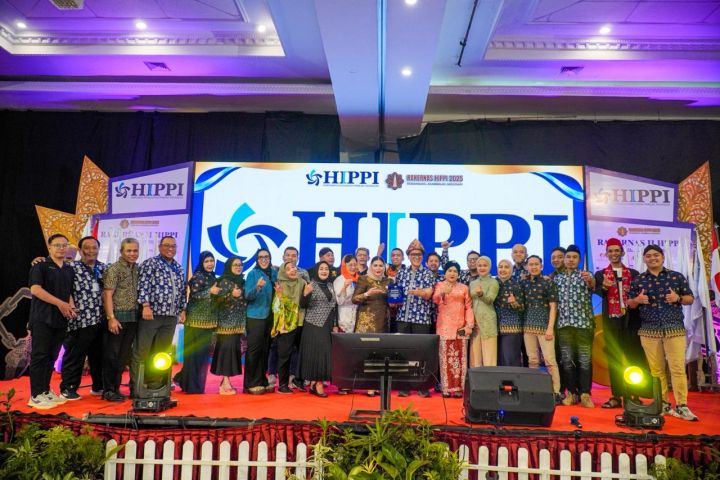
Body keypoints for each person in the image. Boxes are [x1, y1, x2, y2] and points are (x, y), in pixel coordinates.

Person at [628, 244, 697, 421]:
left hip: (674, 329)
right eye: (649, 256)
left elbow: (690, 299)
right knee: (656, 371)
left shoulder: (676, 276)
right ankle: (663, 404)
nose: (652, 258)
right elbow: (630, 303)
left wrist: (677, 298)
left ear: (663, 257)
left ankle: (682, 406)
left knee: (677, 368)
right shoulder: (638, 280)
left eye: (656, 255)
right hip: (649, 331)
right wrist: (637, 299)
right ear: (644, 259)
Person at [133, 235, 186, 396]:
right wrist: (145, 305)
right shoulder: (150, 263)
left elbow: (182, 290)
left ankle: (155, 383)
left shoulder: (178, 268)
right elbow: (143, 286)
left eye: (173, 246)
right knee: (142, 350)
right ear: (160, 247)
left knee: (161, 352)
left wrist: (182, 309)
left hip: (170, 316)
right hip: (152, 314)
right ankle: (136, 386)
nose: (170, 248)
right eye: (167, 245)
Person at [27, 233, 74, 409]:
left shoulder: (68, 269)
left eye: (64, 245)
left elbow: (68, 292)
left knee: (52, 356)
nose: (61, 248)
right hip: (42, 318)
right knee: (40, 356)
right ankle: (35, 395)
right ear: (49, 247)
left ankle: (45, 390)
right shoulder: (40, 266)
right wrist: (60, 303)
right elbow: (35, 290)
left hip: (60, 320)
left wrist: (70, 307)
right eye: (57, 245)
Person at [594, 238, 640, 409]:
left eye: (616, 250)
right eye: (610, 251)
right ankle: (616, 395)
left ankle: (634, 394)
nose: (613, 254)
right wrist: (605, 287)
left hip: (631, 322)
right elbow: (599, 293)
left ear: (622, 252)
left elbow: (637, 295)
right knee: (614, 359)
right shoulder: (600, 274)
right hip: (611, 322)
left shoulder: (634, 273)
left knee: (632, 358)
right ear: (606, 254)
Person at [59, 236, 107, 401]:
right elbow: (63, 288)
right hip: (79, 319)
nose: (91, 251)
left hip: (100, 319)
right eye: (87, 248)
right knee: (75, 355)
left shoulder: (104, 268)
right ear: (80, 250)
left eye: (94, 248)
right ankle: (68, 388)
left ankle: (98, 386)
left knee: (99, 354)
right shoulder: (70, 267)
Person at [554, 245, 596, 408]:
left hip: (583, 325)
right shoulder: (557, 279)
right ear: (564, 260)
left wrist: (590, 280)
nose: (571, 260)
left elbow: (592, 285)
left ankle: (585, 394)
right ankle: (572, 393)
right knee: (566, 361)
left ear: (579, 260)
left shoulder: (586, 276)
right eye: (568, 257)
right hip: (564, 325)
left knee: (584, 360)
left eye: (574, 257)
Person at [394, 239, 435, 397]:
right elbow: (395, 293)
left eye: (419, 255)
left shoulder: (427, 273)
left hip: (421, 318)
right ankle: (405, 385)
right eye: (413, 254)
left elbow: (429, 294)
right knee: (403, 352)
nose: (416, 257)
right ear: (408, 256)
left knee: (421, 352)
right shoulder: (401, 272)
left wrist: (421, 293)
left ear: (422, 256)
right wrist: (392, 301)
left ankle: (422, 385)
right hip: (403, 317)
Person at [174, 251, 218, 394]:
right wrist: (209, 291)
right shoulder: (197, 277)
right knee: (194, 356)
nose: (210, 264)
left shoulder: (212, 277)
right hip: (195, 322)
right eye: (207, 261)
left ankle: (187, 382)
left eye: (211, 261)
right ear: (201, 263)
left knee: (201, 356)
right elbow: (195, 295)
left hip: (208, 322)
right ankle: (191, 386)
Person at [102, 237, 140, 402]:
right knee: (113, 354)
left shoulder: (136, 268)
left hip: (133, 318)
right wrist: (111, 318)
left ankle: (116, 388)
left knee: (123, 355)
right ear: (121, 251)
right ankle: (109, 390)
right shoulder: (114, 269)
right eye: (129, 250)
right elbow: (107, 294)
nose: (132, 254)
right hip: (117, 318)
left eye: (135, 251)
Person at [521, 255, 562, 403]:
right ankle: (535, 390)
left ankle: (556, 392)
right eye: (531, 264)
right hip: (528, 327)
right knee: (532, 361)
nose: (533, 267)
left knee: (550, 361)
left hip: (545, 327)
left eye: (536, 264)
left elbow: (553, 307)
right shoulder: (523, 283)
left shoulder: (548, 283)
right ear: (527, 267)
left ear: (541, 266)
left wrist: (550, 328)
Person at [433, 261, 474, 398]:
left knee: (460, 359)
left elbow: (469, 307)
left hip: (460, 327)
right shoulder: (440, 285)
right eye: (449, 271)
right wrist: (442, 293)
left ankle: (459, 388)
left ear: (458, 274)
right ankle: (445, 388)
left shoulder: (464, 288)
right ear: (445, 273)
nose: (452, 273)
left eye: (455, 271)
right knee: (445, 358)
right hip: (444, 327)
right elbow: (435, 300)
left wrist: (469, 325)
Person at [299, 261, 338, 397]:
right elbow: (302, 305)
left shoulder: (330, 285)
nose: (324, 271)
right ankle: (318, 384)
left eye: (326, 269)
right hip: (314, 325)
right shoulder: (311, 285)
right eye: (321, 269)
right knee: (318, 354)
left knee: (324, 354)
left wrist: (335, 324)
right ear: (316, 271)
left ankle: (314, 383)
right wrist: (305, 294)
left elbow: (334, 306)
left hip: (327, 325)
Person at [211, 256, 246, 395]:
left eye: (240, 264)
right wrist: (231, 295)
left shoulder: (242, 281)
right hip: (226, 324)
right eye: (235, 265)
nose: (238, 267)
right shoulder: (223, 281)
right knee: (226, 352)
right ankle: (225, 383)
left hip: (238, 324)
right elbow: (216, 300)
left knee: (232, 352)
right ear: (229, 266)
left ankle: (225, 382)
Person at [244, 248, 277, 395]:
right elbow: (247, 296)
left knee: (265, 350)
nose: (264, 259)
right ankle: (250, 383)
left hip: (270, 317)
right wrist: (257, 287)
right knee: (254, 350)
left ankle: (262, 380)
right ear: (257, 260)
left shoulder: (274, 273)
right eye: (261, 257)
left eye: (266, 257)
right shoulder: (253, 273)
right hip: (255, 316)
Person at [272, 261, 308, 394]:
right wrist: (280, 296)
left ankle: (298, 380)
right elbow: (276, 307)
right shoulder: (280, 285)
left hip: (301, 322)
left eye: (293, 267)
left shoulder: (302, 282)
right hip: (286, 325)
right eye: (288, 269)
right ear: (283, 273)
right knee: (284, 355)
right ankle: (282, 384)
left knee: (302, 353)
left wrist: (306, 294)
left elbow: (305, 302)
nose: (292, 270)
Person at [468, 256, 499, 367]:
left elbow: (490, 300)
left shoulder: (493, 282)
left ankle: (489, 379)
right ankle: (475, 379)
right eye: (479, 265)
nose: (482, 268)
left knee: (489, 358)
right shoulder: (473, 283)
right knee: (475, 359)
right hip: (475, 323)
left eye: (485, 265)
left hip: (488, 322)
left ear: (489, 267)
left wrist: (481, 294)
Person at [495, 259, 525, 367]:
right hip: (494, 328)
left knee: (510, 359)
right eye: (500, 267)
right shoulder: (493, 284)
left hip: (511, 328)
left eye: (506, 267)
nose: (503, 269)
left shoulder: (516, 285)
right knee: (498, 360)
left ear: (511, 270)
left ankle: (514, 379)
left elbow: (522, 308)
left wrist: (514, 303)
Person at [353, 256, 392, 334]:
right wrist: (367, 294)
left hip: (383, 321)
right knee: (365, 341)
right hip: (367, 322)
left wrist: (393, 303)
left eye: (381, 266)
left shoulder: (388, 281)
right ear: (371, 267)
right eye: (375, 265)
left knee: (381, 341)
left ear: (384, 268)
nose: (378, 268)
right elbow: (354, 299)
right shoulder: (364, 279)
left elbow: (392, 300)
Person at [334, 254, 359, 333]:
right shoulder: (339, 280)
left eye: (355, 264)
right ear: (345, 266)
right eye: (350, 265)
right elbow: (339, 301)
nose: (353, 267)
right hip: (344, 318)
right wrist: (344, 287)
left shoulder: (359, 279)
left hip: (357, 317)